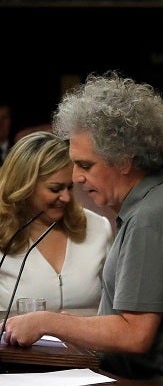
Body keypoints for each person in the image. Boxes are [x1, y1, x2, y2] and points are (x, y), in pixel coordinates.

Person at [1, 73, 163, 382]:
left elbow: (134, 335)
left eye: (86, 165)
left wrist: (46, 322)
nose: (76, 178)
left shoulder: (151, 216)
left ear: (124, 161)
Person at [0, 132, 113, 314]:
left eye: (69, 187)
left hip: (87, 342)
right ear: (24, 186)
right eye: (55, 189)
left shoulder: (98, 227)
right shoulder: (3, 232)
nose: (66, 197)